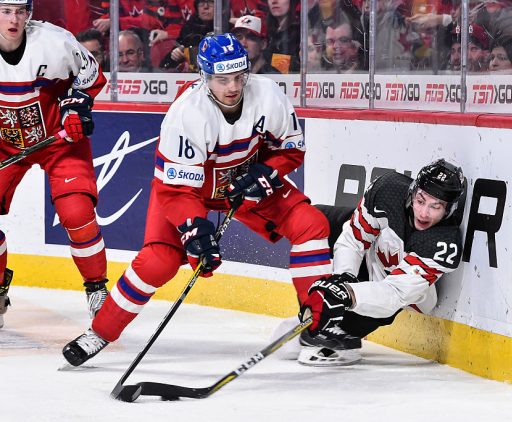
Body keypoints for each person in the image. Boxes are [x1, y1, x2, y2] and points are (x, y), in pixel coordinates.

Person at [62, 33, 332, 366]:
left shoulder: (268, 95)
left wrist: (264, 173)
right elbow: (175, 191)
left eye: (238, 76)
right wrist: (194, 233)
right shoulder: (186, 114)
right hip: (190, 192)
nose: (232, 86)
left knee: (312, 224)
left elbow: (290, 150)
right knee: (157, 261)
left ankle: (318, 321)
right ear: (204, 77)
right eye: (222, 79)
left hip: (244, 185)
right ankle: (100, 332)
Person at [0, 0, 108, 328]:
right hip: (4, 145)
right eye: (5, 11)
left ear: (30, 13)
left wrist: (75, 108)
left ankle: (97, 289)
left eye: (20, 11)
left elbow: (89, 78)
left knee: (77, 213)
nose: (13, 19)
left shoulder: (55, 42)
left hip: (59, 142)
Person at [297, 159, 466, 366]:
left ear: (448, 210)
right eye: (420, 201)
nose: (423, 213)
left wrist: (346, 294)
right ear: (413, 192)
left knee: (349, 326)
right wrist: (341, 279)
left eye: (435, 207)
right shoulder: (388, 190)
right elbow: (353, 237)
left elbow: (394, 294)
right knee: (309, 221)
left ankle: (339, 333)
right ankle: (314, 310)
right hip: (373, 254)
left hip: (393, 290)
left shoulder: (443, 243)